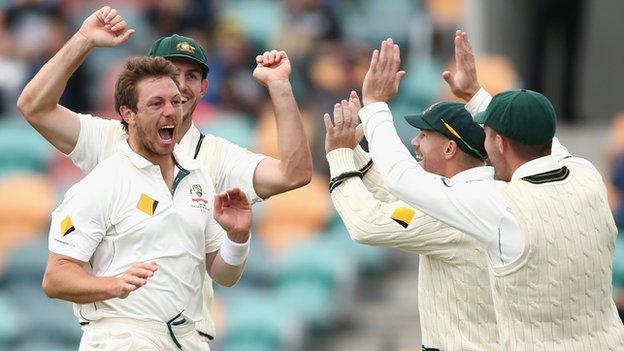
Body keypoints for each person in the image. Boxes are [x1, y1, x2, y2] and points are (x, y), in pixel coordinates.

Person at [17, 5, 312, 341]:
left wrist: (280, 86)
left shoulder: (212, 161)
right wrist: (83, 40)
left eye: (192, 77)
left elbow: (294, 173)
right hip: (126, 333)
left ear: (203, 88)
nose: (181, 88)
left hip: (189, 334)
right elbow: (33, 106)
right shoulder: (110, 140)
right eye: (173, 75)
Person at [359, 37, 624, 350]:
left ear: (499, 144)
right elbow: (548, 146)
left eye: (486, 135)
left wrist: (374, 106)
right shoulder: (586, 174)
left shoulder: (498, 206)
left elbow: (401, 179)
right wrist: (474, 95)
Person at [42, 52, 251, 350]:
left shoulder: (198, 177)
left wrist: (238, 238)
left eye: (176, 102)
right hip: (123, 337)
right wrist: (112, 285)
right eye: (156, 104)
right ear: (128, 114)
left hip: (187, 339)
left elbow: (224, 275)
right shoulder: (104, 182)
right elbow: (55, 277)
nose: (171, 112)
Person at [324, 91, 499, 350]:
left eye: (424, 135)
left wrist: (338, 155)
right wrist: (353, 150)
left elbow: (366, 225)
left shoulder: (456, 205)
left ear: (450, 148)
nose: (415, 142)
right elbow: (399, 200)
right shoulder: (471, 191)